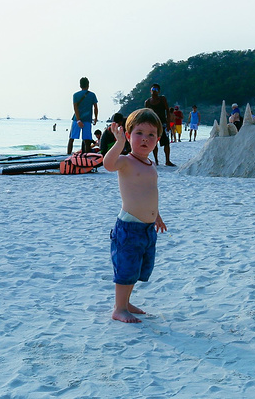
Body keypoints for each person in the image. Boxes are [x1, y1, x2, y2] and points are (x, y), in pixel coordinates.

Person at [103, 108, 167, 324]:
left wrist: (156, 215)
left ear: (157, 140)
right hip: (129, 227)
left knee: (137, 268)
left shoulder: (150, 164)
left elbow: (150, 192)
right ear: (129, 135)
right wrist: (118, 142)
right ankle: (119, 308)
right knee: (126, 267)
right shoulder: (125, 161)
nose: (145, 139)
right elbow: (108, 164)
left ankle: (126, 302)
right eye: (139, 133)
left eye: (151, 135)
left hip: (147, 228)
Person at [144, 84, 175, 166]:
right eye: (153, 89)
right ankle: (156, 161)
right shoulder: (147, 102)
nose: (154, 91)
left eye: (156, 89)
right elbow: (146, 114)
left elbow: (167, 111)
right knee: (154, 143)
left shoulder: (162, 99)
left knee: (166, 142)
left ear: (159, 91)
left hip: (163, 123)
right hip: (152, 124)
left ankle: (167, 160)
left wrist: (168, 123)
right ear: (150, 90)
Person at [67, 77, 98, 154]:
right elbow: (95, 108)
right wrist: (95, 118)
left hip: (76, 119)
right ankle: (87, 156)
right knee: (87, 140)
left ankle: (67, 155)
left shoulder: (76, 95)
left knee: (71, 138)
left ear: (80, 85)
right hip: (87, 119)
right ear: (88, 85)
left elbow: (75, 108)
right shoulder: (92, 95)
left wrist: (78, 120)